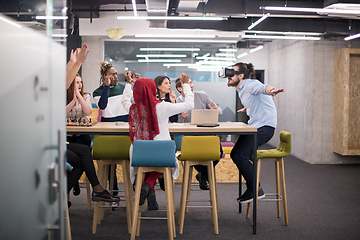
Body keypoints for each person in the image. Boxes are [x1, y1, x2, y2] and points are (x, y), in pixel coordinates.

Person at [122, 72, 194, 211]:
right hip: (162, 153)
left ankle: (149, 192)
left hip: (139, 153)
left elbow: (124, 101)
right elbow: (189, 104)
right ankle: (148, 184)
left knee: (146, 163)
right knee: (163, 162)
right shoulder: (163, 106)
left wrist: (129, 84)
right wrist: (185, 84)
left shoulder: (133, 109)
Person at [227, 62, 284, 204]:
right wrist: (248, 108)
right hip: (255, 126)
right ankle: (252, 188)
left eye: (231, 73)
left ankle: (256, 189)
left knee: (240, 156)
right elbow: (255, 99)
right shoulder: (240, 89)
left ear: (241, 75)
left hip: (263, 128)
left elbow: (262, 88)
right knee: (235, 154)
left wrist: (271, 90)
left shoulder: (250, 84)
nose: (228, 75)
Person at [175, 77, 223, 190]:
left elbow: (219, 111)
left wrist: (215, 111)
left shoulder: (202, 95)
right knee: (192, 155)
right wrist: (181, 118)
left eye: (191, 82)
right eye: (187, 84)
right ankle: (203, 175)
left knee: (218, 152)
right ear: (180, 88)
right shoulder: (177, 101)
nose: (191, 85)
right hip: (189, 137)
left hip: (205, 134)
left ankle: (202, 175)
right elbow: (175, 123)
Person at [92, 62, 132, 197]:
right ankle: (114, 193)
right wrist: (107, 87)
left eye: (116, 74)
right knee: (110, 165)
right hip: (108, 132)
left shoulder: (123, 87)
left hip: (126, 131)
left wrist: (131, 83)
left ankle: (134, 194)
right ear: (105, 76)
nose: (115, 76)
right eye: (112, 74)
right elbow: (102, 106)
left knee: (131, 161)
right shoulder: (98, 92)